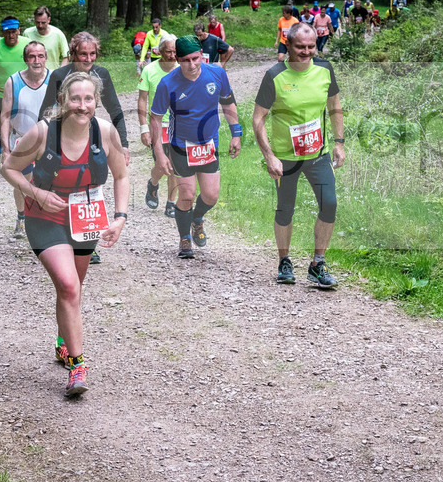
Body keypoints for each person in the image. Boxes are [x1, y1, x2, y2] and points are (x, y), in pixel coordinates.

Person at [1, 72, 129, 397]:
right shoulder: (43, 133)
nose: (82, 106)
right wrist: (37, 193)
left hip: (85, 218)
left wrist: (120, 217)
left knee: (72, 289)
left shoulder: (106, 132)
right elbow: (9, 168)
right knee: (70, 286)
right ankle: (77, 367)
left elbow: (121, 176)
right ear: (63, 101)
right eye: (75, 99)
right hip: (45, 216)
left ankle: (63, 342)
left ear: (96, 101)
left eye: (88, 99)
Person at [251, 22, 344, 289]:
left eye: (311, 47)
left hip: (317, 154)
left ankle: (317, 264)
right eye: (300, 47)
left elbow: (335, 106)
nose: (306, 52)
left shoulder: (325, 69)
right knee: (285, 209)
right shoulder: (274, 75)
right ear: (288, 45)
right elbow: (258, 119)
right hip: (285, 158)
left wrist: (339, 143)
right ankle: (284, 261)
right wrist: (269, 155)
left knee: (330, 203)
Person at [37, 32, 130, 265]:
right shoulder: (59, 75)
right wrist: (42, 142)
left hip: (91, 135)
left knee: (90, 183)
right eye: (82, 54)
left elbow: (115, 109)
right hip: (61, 136)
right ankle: (56, 236)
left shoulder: (102, 74)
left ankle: (86, 239)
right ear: (73, 54)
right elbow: (45, 111)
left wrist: (124, 144)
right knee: (63, 183)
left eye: (92, 54)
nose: (88, 59)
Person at [149, 36, 242, 259]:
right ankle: (184, 238)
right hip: (181, 145)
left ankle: (197, 219)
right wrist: (160, 154)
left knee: (211, 196)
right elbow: (155, 118)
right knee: (187, 194)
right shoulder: (168, 83)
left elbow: (228, 103)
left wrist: (236, 133)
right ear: (177, 60)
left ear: (202, 54)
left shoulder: (217, 73)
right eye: (185, 61)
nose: (191, 65)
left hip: (208, 144)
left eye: (195, 58)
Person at [0, 41, 51, 239]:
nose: (36, 61)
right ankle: (22, 217)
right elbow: (4, 116)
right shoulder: (13, 82)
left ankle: (47, 221)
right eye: (32, 56)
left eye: (40, 56)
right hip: (21, 140)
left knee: (50, 182)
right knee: (23, 183)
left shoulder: (55, 79)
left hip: (49, 140)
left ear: (46, 57)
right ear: (25, 59)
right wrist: (5, 150)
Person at [137, 37, 179, 218]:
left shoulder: (183, 69)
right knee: (162, 165)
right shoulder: (149, 70)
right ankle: (153, 183)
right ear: (160, 51)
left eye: (175, 52)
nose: (172, 56)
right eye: (168, 52)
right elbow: (142, 100)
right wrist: (143, 128)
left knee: (176, 166)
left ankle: (171, 202)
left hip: (179, 125)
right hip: (157, 124)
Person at [0, 17, 31, 156]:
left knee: (26, 119)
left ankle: (28, 144)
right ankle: (5, 146)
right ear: (2, 33)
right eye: (7, 32)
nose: (11, 35)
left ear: (18, 30)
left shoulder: (28, 45)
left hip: (25, 91)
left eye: (13, 31)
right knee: (4, 120)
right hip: (1, 93)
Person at [24, 5, 69, 70]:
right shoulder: (27, 33)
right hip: (32, 75)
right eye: (37, 22)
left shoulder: (58, 34)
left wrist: (60, 73)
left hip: (52, 75)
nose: (40, 25)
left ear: (49, 20)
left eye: (43, 23)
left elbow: (66, 56)